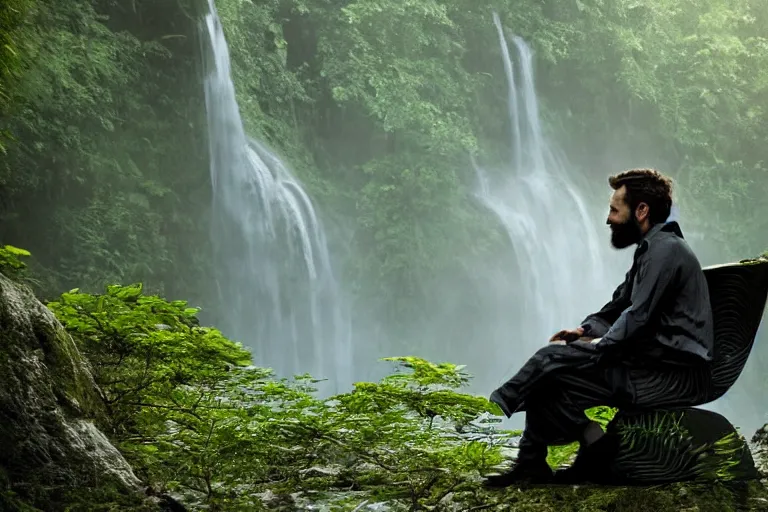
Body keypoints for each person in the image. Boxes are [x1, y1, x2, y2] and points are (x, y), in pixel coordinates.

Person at [484, 168, 714, 486]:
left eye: (614, 209)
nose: (608, 219)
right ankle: (549, 459)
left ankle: (497, 404)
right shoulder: (653, 250)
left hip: (669, 371)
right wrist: (583, 332)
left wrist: (597, 347)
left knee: (551, 358)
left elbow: (639, 315)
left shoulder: (665, 251)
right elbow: (618, 305)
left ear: (642, 210)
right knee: (549, 377)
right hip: (649, 361)